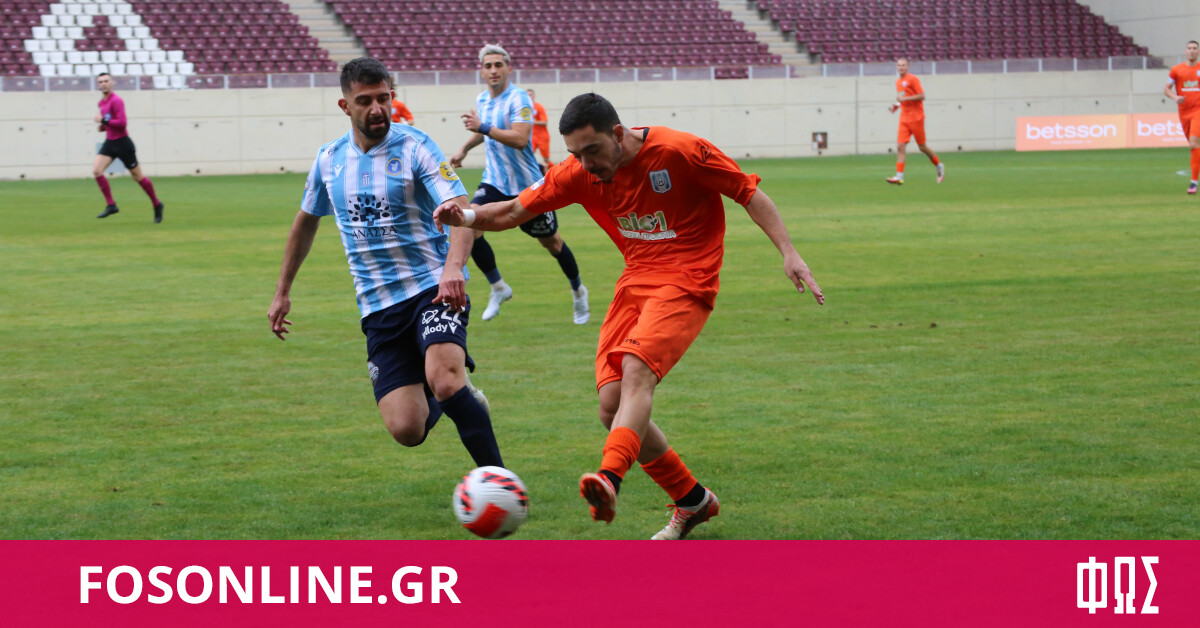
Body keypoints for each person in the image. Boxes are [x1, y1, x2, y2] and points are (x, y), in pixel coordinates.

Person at [434, 93, 824, 539]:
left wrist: (789, 253)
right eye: (575, 154)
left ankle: (609, 477)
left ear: (617, 133)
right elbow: (513, 210)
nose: (586, 163)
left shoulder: (679, 151)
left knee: (638, 372)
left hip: (688, 278)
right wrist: (465, 214)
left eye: (592, 150)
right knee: (611, 406)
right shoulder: (578, 172)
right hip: (636, 279)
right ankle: (693, 500)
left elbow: (747, 192)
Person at [268, 58, 503, 470]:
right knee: (407, 429)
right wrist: (282, 291)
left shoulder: (416, 146)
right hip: (378, 304)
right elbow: (305, 222)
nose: (377, 108)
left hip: (432, 285)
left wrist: (453, 268)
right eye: (365, 101)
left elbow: (462, 211)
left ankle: (499, 483)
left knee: (445, 380)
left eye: (383, 98)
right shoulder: (329, 160)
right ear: (345, 106)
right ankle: (455, 395)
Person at [449, 44, 589, 324]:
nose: (493, 70)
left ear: (508, 68)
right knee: (467, 224)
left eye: (498, 65)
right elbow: (484, 131)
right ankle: (498, 287)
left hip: (528, 187)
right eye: (488, 66)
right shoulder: (482, 100)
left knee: (552, 244)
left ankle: (578, 291)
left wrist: (482, 127)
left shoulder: (520, 98)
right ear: (482, 71)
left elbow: (520, 138)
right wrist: (464, 149)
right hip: (494, 182)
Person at [92, 72, 164, 222]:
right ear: (98, 85)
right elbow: (111, 122)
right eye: (100, 82)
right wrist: (104, 127)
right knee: (97, 171)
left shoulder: (116, 100)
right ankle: (111, 205)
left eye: (106, 81)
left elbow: (122, 123)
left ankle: (157, 204)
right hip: (110, 143)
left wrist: (103, 121)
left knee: (138, 177)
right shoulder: (101, 103)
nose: (103, 84)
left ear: (112, 83)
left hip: (123, 143)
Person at [886, 58, 944, 185]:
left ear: (908, 67)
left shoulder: (913, 79)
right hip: (904, 118)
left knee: (922, 147)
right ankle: (899, 176)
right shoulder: (898, 82)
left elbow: (922, 96)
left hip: (916, 118)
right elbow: (903, 98)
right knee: (900, 146)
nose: (901, 67)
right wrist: (897, 105)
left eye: (903, 65)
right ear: (896, 67)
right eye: (899, 65)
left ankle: (939, 165)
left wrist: (904, 99)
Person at [1164, 40, 1200, 195]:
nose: (1191, 50)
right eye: (1189, 48)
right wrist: (1175, 97)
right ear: (1185, 51)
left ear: (1198, 52)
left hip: (1198, 110)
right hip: (1184, 112)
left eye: (1194, 48)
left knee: (1193, 144)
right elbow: (1167, 89)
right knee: (1194, 148)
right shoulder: (1177, 70)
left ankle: (1193, 182)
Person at [527, 88, 552, 171]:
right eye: (527, 95)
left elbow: (544, 122)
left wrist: (533, 121)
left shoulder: (539, 107)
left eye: (530, 94)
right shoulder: (525, 108)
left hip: (542, 136)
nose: (528, 96)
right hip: (532, 137)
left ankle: (551, 172)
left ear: (534, 96)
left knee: (546, 158)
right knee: (528, 156)